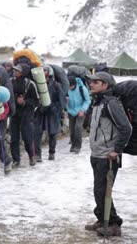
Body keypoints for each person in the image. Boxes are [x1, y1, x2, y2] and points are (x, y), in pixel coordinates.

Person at [84, 72, 132, 237]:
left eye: (96, 82)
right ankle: (101, 218)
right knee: (99, 189)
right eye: (91, 82)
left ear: (105, 85)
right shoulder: (98, 102)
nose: (91, 84)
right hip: (97, 154)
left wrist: (116, 150)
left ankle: (113, 224)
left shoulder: (111, 103)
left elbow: (126, 128)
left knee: (102, 190)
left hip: (108, 156)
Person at [34, 65, 66, 161]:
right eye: (42, 70)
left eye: (46, 71)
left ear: (50, 73)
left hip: (52, 112)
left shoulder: (57, 85)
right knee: (37, 133)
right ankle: (37, 155)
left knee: (52, 134)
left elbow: (61, 100)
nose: (44, 72)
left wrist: (55, 108)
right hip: (41, 112)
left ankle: (51, 153)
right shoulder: (37, 85)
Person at [10, 64, 39, 167]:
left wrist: (25, 102)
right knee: (14, 138)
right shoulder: (11, 82)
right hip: (14, 114)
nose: (15, 72)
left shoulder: (31, 84)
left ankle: (31, 156)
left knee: (27, 137)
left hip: (27, 114)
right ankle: (16, 160)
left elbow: (36, 101)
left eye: (17, 70)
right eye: (14, 70)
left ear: (23, 72)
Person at [67, 75, 91, 154]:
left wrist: (83, 110)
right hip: (71, 111)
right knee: (72, 129)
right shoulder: (66, 89)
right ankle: (73, 145)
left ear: (75, 84)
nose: (70, 87)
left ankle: (77, 146)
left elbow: (87, 101)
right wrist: (65, 102)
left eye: (72, 86)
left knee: (78, 127)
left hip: (80, 111)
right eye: (69, 86)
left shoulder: (82, 89)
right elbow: (62, 100)